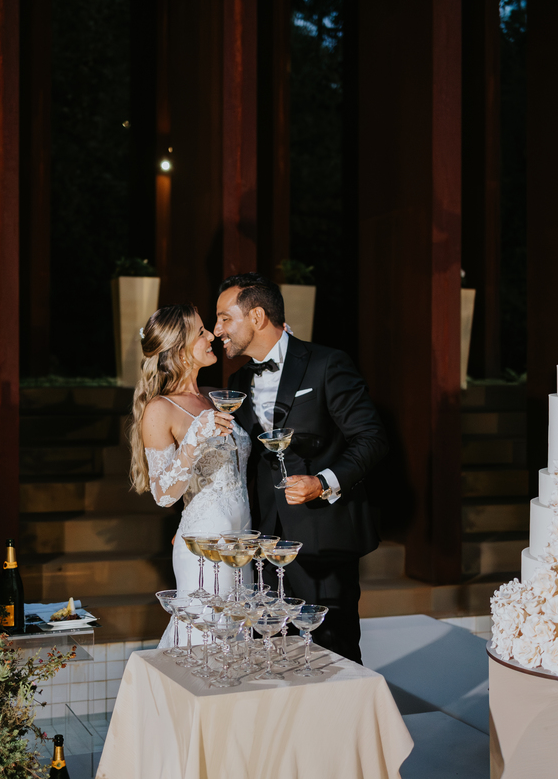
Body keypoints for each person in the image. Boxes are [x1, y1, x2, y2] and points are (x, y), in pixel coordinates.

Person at [216, 274, 387, 663]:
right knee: (274, 651)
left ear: (257, 316)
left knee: (333, 651)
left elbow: (372, 438)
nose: (218, 329)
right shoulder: (237, 380)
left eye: (225, 318)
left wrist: (323, 482)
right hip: (264, 542)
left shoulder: (327, 363)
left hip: (323, 535)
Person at [127, 304, 249, 646]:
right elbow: (164, 495)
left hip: (242, 541)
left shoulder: (214, 397)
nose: (211, 336)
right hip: (203, 547)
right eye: (201, 332)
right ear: (179, 350)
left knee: (238, 641)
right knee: (205, 643)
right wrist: (194, 440)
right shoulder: (160, 409)